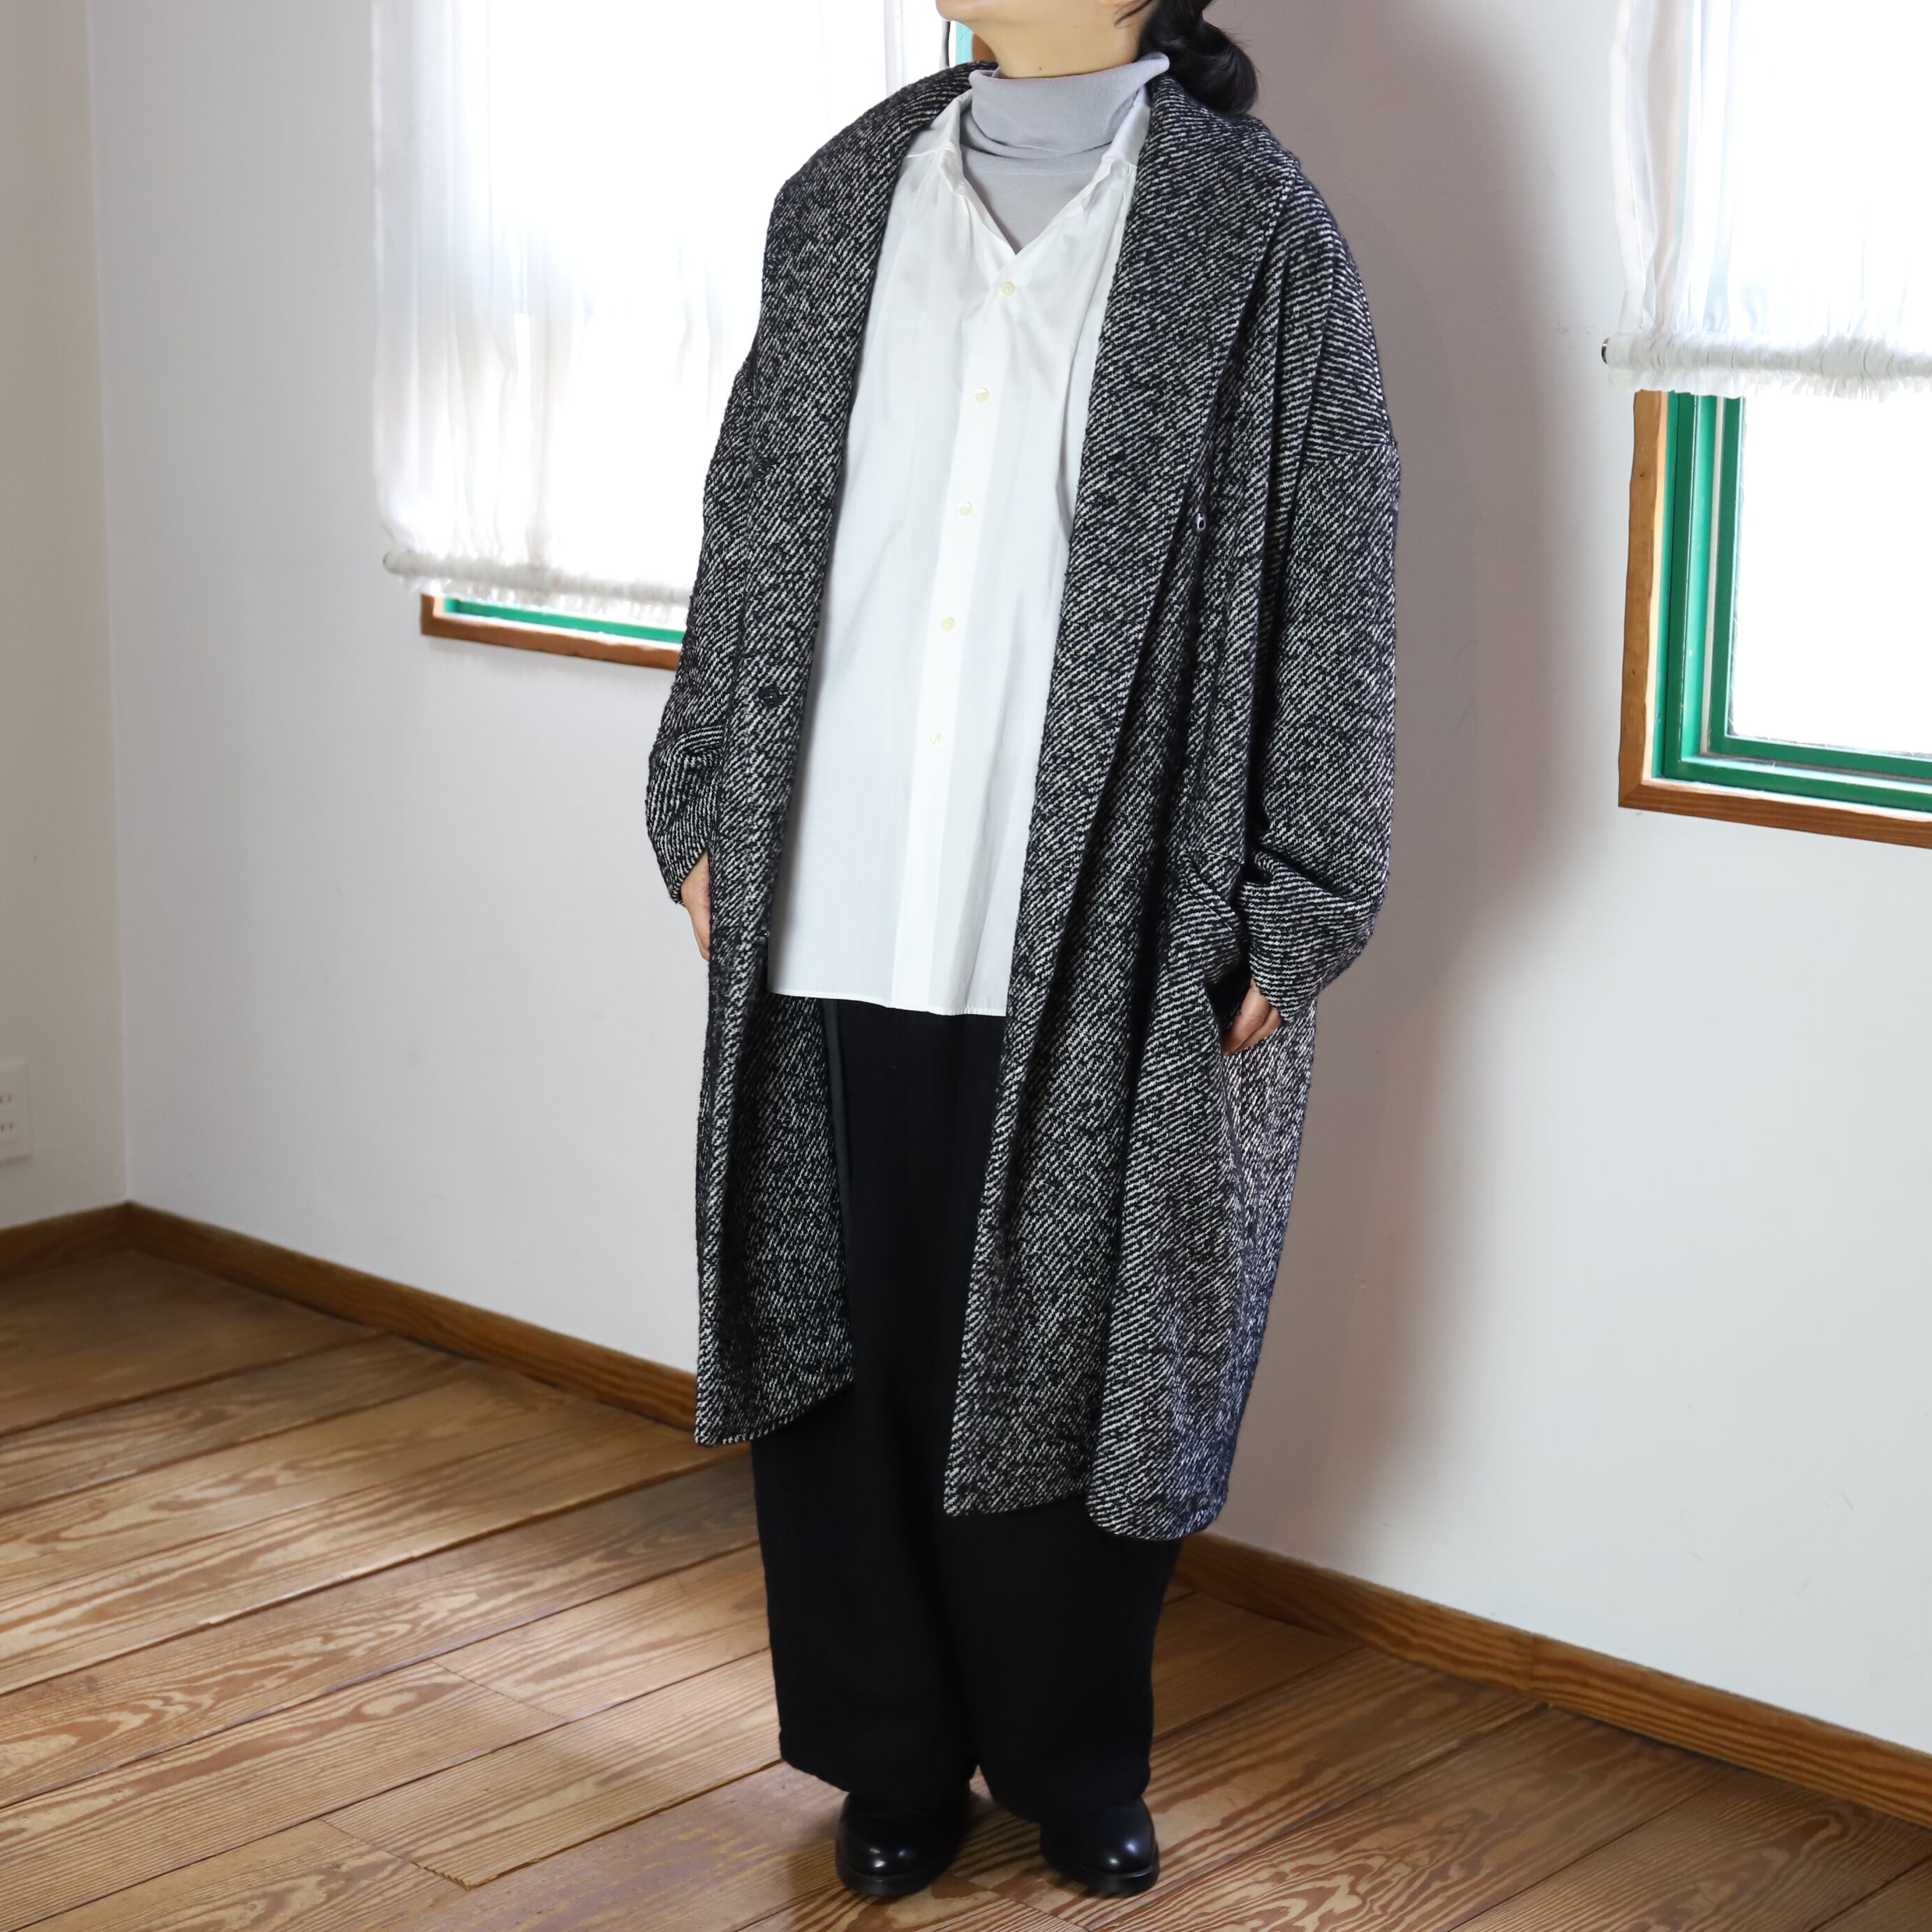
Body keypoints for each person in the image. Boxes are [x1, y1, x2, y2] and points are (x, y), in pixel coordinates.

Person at [646, 0, 1400, 1902]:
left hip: (1106, 905)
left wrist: (1305, 892)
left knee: (1079, 1351)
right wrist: (703, 788)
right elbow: (749, 520)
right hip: (836, 875)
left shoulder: (1259, 226)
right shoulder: (845, 194)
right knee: (840, 1341)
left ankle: (1073, 1762)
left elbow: (1339, 568)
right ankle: (889, 1756)